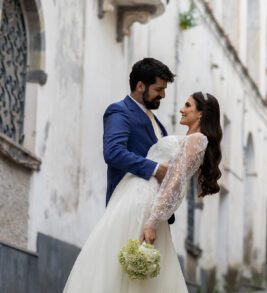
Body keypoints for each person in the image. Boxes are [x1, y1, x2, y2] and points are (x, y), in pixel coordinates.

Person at [63, 92, 222, 293]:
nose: (182, 109)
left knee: (121, 265)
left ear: (201, 114)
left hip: (145, 204)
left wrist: (152, 221)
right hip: (132, 197)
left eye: (188, 105)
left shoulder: (197, 140)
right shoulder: (188, 139)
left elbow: (175, 183)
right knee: (110, 259)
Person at [103, 57, 176, 224]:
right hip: (127, 210)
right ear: (140, 86)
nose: (163, 95)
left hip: (153, 216)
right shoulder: (119, 111)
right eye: (159, 89)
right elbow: (113, 152)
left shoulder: (158, 123)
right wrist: (155, 169)